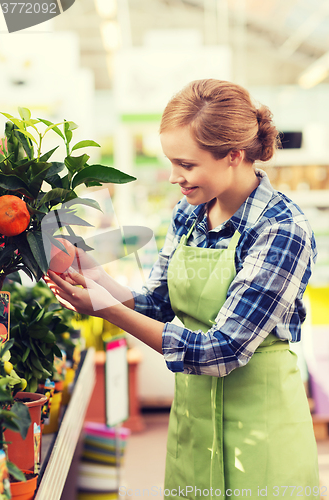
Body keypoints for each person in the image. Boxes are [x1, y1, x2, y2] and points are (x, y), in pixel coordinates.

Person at [47, 79, 320, 499]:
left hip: (262, 427)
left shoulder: (282, 229)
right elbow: (158, 302)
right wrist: (98, 279)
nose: (174, 177)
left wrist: (107, 310)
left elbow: (223, 350)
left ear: (233, 155)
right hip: (194, 420)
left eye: (186, 165)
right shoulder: (189, 212)